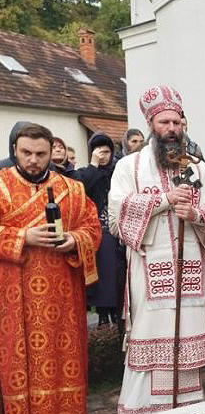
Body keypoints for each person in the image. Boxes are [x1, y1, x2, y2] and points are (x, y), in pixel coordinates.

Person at [108, 85, 205, 414]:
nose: (172, 129)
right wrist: (163, 202)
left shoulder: (195, 168)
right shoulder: (128, 167)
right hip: (148, 276)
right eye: (165, 122)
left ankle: (187, 411)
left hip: (188, 274)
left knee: (185, 340)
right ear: (151, 125)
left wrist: (197, 215)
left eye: (177, 122)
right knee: (149, 337)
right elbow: (117, 218)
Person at [0, 123, 101, 414]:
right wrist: (22, 236)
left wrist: (74, 240)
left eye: (41, 154)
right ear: (14, 149)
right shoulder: (0, 185)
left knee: (62, 355)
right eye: (26, 153)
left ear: (50, 153)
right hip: (14, 293)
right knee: (19, 358)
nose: (33, 160)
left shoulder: (72, 189)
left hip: (62, 295)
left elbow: (92, 229)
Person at [77, 133, 121, 327]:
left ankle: (114, 311)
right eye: (99, 151)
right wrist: (94, 164)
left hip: (113, 227)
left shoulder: (118, 171)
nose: (104, 155)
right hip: (95, 228)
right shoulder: (87, 172)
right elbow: (82, 188)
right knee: (100, 272)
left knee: (114, 272)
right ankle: (102, 313)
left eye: (107, 151)